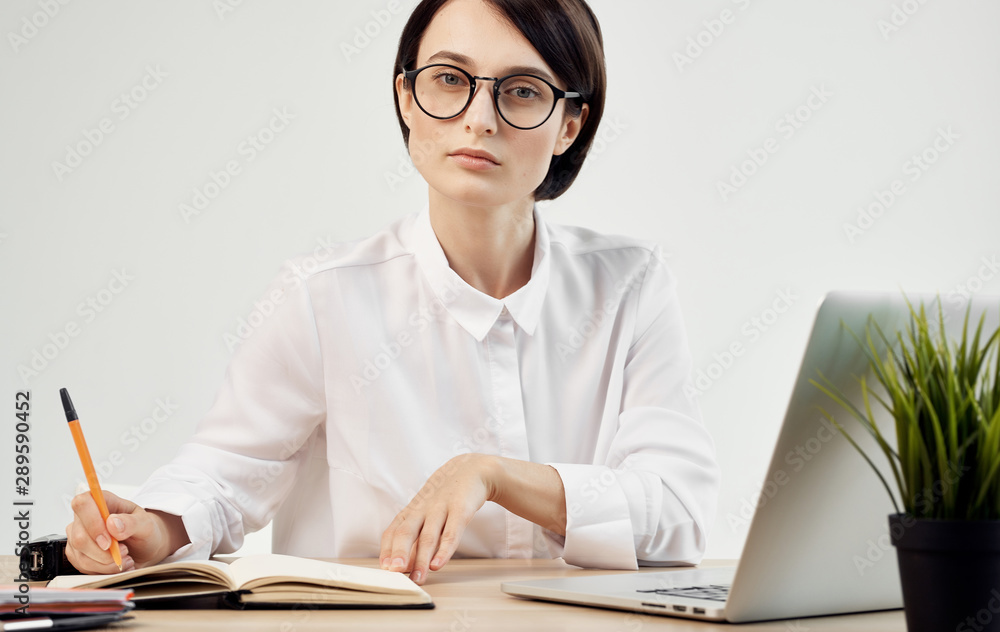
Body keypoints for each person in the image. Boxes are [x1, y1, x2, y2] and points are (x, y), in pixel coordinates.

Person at [65, 0, 721, 586]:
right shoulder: (321, 298)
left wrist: (489, 475)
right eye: (449, 80)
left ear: (570, 125)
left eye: (522, 91)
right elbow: (221, 476)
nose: (479, 119)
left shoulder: (630, 285)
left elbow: (679, 515)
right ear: (407, 98)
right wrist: (152, 527)